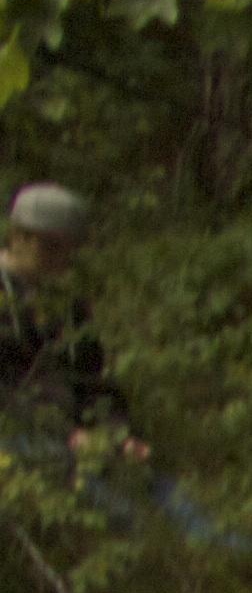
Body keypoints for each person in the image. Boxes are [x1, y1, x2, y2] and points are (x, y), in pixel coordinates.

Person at [0, 184, 132, 451]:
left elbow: (93, 378)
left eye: (68, 249)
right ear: (17, 237)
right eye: (50, 247)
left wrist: (117, 433)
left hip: (71, 435)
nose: (60, 258)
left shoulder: (69, 305)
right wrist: (65, 433)